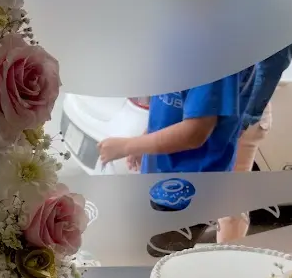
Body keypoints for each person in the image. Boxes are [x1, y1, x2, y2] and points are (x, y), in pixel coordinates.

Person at [99, 66, 255, 253]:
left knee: (159, 260)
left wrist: (126, 146)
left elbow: (195, 133)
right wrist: (144, 139)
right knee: (147, 249)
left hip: (187, 189)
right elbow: (172, 110)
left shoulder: (211, 59)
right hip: (160, 178)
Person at [217, 45, 292, 242]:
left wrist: (244, 117)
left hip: (236, 114)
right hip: (214, 108)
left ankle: (226, 263)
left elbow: (275, 62)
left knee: (230, 200)